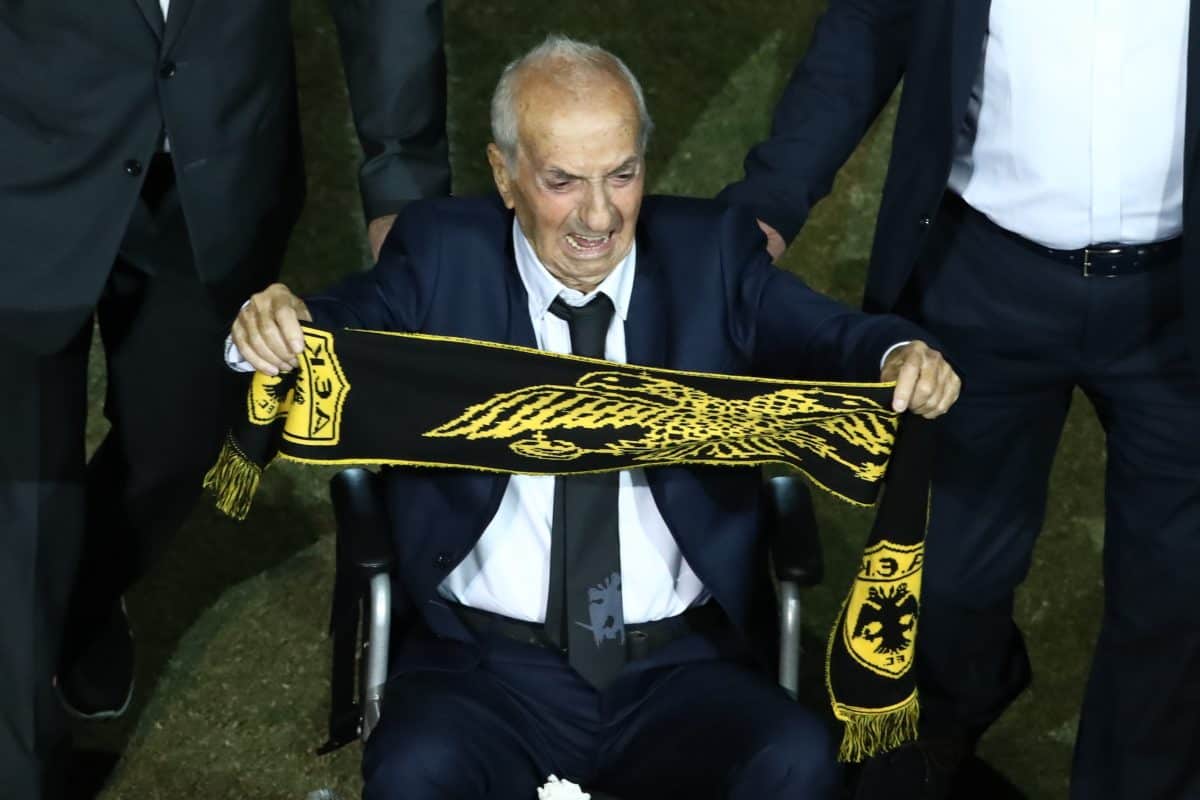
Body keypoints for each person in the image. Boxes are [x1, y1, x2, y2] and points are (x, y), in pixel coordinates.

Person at [231, 35, 960, 800]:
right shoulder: (443, 255)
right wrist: (280, 322)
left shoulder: (711, 255)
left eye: (622, 174)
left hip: (681, 668)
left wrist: (900, 354)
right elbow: (340, 322)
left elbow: (831, 335)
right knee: (413, 774)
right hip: (482, 671)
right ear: (504, 175)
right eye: (562, 181)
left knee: (797, 760)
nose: (600, 215)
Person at [718, 3, 1200, 799]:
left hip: (1178, 304)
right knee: (942, 582)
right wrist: (767, 204)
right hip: (981, 279)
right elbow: (873, 23)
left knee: (1175, 599)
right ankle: (944, 716)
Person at [0, 1, 449, 797]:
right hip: (21, 151)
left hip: (218, 162)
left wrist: (401, 177)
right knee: (22, 502)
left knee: (182, 445)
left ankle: (75, 596)